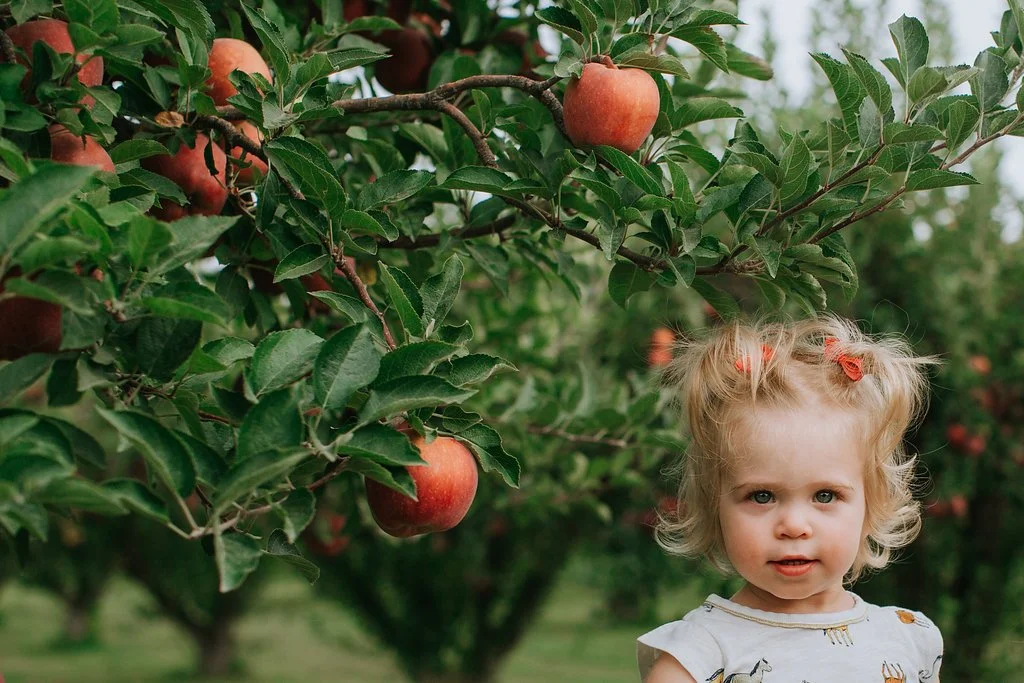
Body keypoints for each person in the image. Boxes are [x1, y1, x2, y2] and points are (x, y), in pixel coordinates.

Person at [637, 313, 944, 683]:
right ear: (713, 505)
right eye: (762, 496)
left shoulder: (907, 639)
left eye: (825, 495)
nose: (794, 526)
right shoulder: (699, 655)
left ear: (872, 504)